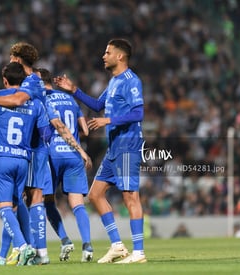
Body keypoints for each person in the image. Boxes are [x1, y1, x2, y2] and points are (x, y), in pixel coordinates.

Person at [0, 42, 92, 265]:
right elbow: (55, 120)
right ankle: (19, 251)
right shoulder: (38, 83)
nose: (10, 60)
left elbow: (17, 101)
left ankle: (33, 250)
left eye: (12, 57)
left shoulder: (30, 81)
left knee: (28, 199)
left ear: (18, 59)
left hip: (29, 147)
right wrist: (78, 148)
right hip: (34, 146)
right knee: (23, 199)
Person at [54, 38, 147, 264]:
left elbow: (138, 113)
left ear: (120, 56)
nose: (103, 56)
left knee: (129, 196)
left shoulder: (131, 80)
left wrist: (108, 120)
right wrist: (74, 90)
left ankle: (139, 252)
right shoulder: (114, 81)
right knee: (94, 194)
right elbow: (97, 105)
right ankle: (117, 245)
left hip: (128, 145)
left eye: (107, 52)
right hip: (114, 147)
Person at [0, 62, 50, 266]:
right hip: (23, 161)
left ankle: (22, 246)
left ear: (5, 80)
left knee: (3, 207)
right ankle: (1, 257)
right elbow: (46, 133)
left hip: (1, 159)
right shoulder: (35, 102)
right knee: (13, 207)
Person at [37, 68, 93, 262]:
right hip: (74, 155)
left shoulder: (41, 98)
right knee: (77, 205)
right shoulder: (70, 99)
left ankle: (65, 240)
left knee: (47, 201)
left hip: (52, 155)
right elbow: (85, 130)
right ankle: (87, 246)